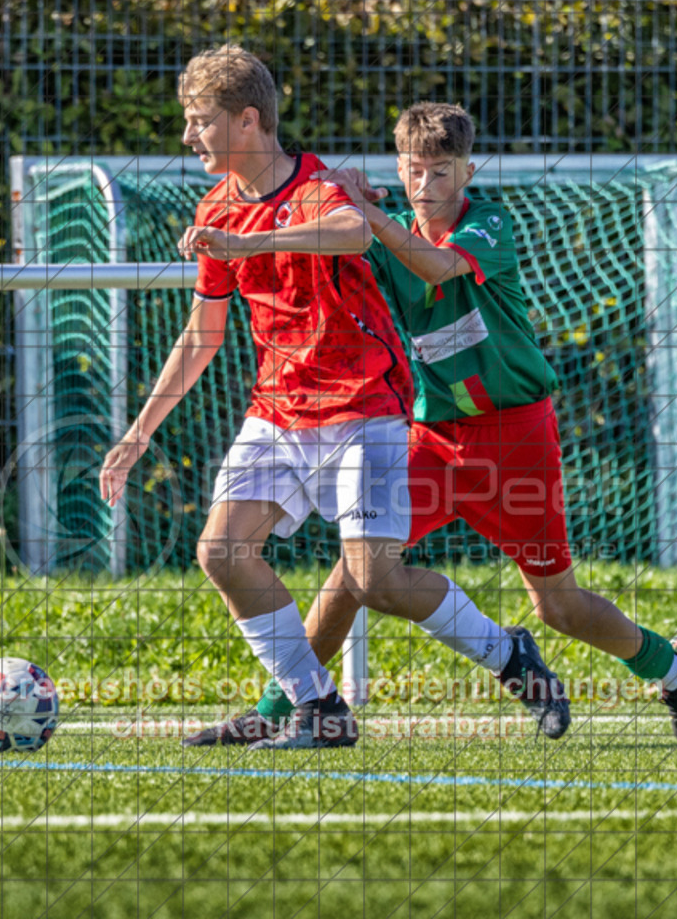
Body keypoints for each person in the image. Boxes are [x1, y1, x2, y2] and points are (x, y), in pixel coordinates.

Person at [192, 101, 677, 746]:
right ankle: (286, 708)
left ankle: (670, 665)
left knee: (560, 608)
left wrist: (371, 215)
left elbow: (436, 267)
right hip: (433, 440)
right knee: (356, 574)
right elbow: (342, 267)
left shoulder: (488, 222)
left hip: (516, 437)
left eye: (441, 172)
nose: (426, 187)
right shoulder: (386, 241)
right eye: (414, 171)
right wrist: (323, 209)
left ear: (467, 171)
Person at [99, 50, 570, 750]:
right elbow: (201, 335)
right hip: (276, 410)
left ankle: (510, 657)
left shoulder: (317, 186)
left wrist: (245, 240)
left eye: (200, 122)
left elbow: (351, 230)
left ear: (248, 120)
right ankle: (319, 707)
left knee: (373, 578)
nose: (189, 138)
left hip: (362, 408)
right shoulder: (215, 207)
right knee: (222, 551)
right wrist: (139, 431)